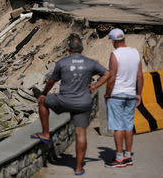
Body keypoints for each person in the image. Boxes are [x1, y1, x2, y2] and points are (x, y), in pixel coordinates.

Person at [31, 33, 109, 176]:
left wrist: (43, 93)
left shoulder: (62, 63)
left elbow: (51, 81)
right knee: (81, 134)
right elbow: (107, 74)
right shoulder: (90, 62)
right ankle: (78, 168)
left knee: (43, 102)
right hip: (83, 102)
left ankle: (45, 133)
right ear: (82, 48)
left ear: (68, 48)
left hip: (64, 101)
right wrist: (95, 86)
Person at [89, 28, 143, 168]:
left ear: (113, 40)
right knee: (128, 126)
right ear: (123, 38)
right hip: (131, 94)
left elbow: (112, 77)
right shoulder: (135, 52)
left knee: (118, 127)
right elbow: (140, 76)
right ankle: (128, 156)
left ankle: (119, 158)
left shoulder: (115, 54)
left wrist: (107, 93)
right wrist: (139, 94)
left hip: (117, 95)